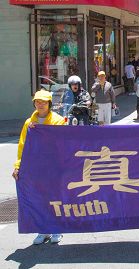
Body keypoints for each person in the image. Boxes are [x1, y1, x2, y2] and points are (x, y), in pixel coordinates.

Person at [13, 90, 66, 244]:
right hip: (35, 167)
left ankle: (56, 229)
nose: (40, 104)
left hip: (54, 166)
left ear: (49, 103)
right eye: (37, 101)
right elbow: (22, 146)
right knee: (39, 198)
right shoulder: (29, 123)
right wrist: (18, 166)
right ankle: (43, 230)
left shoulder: (57, 121)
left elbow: (63, 142)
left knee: (55, 198)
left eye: (43, 102)